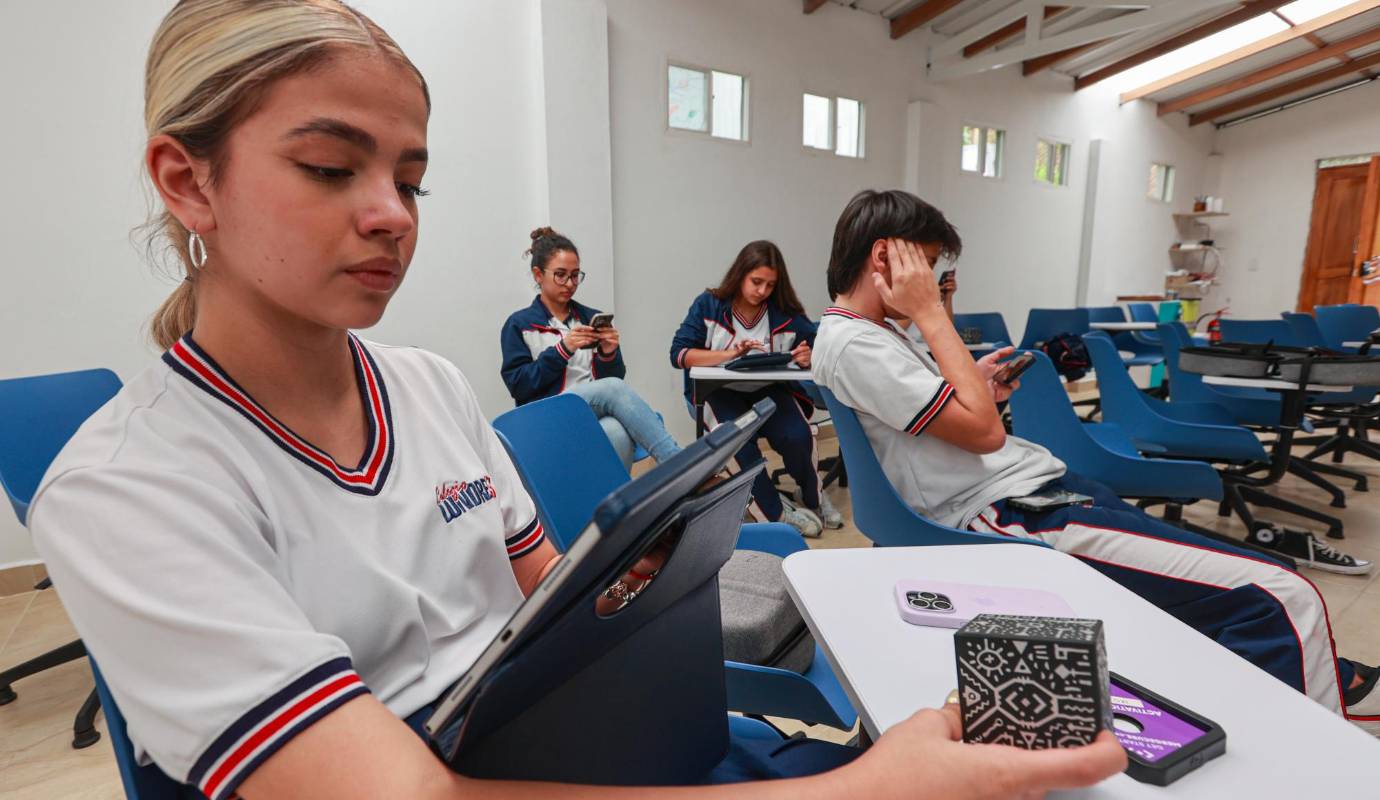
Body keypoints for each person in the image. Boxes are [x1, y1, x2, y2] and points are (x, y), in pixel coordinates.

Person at [26, 3, 1127, 798]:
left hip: (550, 735)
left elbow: (545, 591)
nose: (393, 214)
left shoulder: (428, 388)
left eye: (410, 179)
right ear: (187, 180)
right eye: (329, 167)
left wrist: (657, 568)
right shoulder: (130, 488)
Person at [811, 188, 1380, 735]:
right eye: (928, 265)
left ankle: (1325, 682)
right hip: (1004, 511)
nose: (932, 282)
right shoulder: (858, 341)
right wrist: (933, 314)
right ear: (885, 255)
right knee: (1285, 595)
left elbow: (945, 414)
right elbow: (983, 433)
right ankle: (1327, 748)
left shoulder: (872, 335)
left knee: (1219, 588)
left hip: (1036, 491)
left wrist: (973, 380)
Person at [670, 242, 840, 537]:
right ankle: (776, 515)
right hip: (718, 392)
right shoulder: (709, 305)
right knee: (735, 440)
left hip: (769, 390)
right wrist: (728, 355)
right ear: (740, 275)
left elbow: (816, 345)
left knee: (800, 434)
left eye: (769, 285)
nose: (761, 291)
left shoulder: (784, 312)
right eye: (756, 282)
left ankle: (813, 498)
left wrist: (807, 356)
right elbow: (680, 354)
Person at [500, 226, 680, 468]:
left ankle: (614, 505)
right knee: (614, 391)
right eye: (560, 274)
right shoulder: (519, 324)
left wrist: (608, 354)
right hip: (543, 417)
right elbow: (519, 386)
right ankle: (678, 462)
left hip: (588, 412)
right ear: (538, 274)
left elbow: (612, 380)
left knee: (615, 431)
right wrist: (562, 350)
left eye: (575, 275)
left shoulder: (589, 317)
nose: (569, 283)